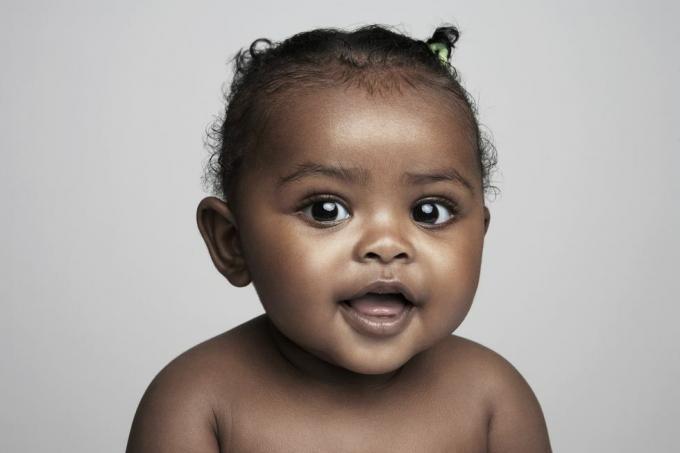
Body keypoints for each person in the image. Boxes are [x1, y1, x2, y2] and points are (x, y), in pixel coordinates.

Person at [126, 23, 552, 452]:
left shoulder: (493, 400)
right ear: (231, 242)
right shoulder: (198, 402)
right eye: (326, 210)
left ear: (480, 234)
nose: (386, 244)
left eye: (430, 212)